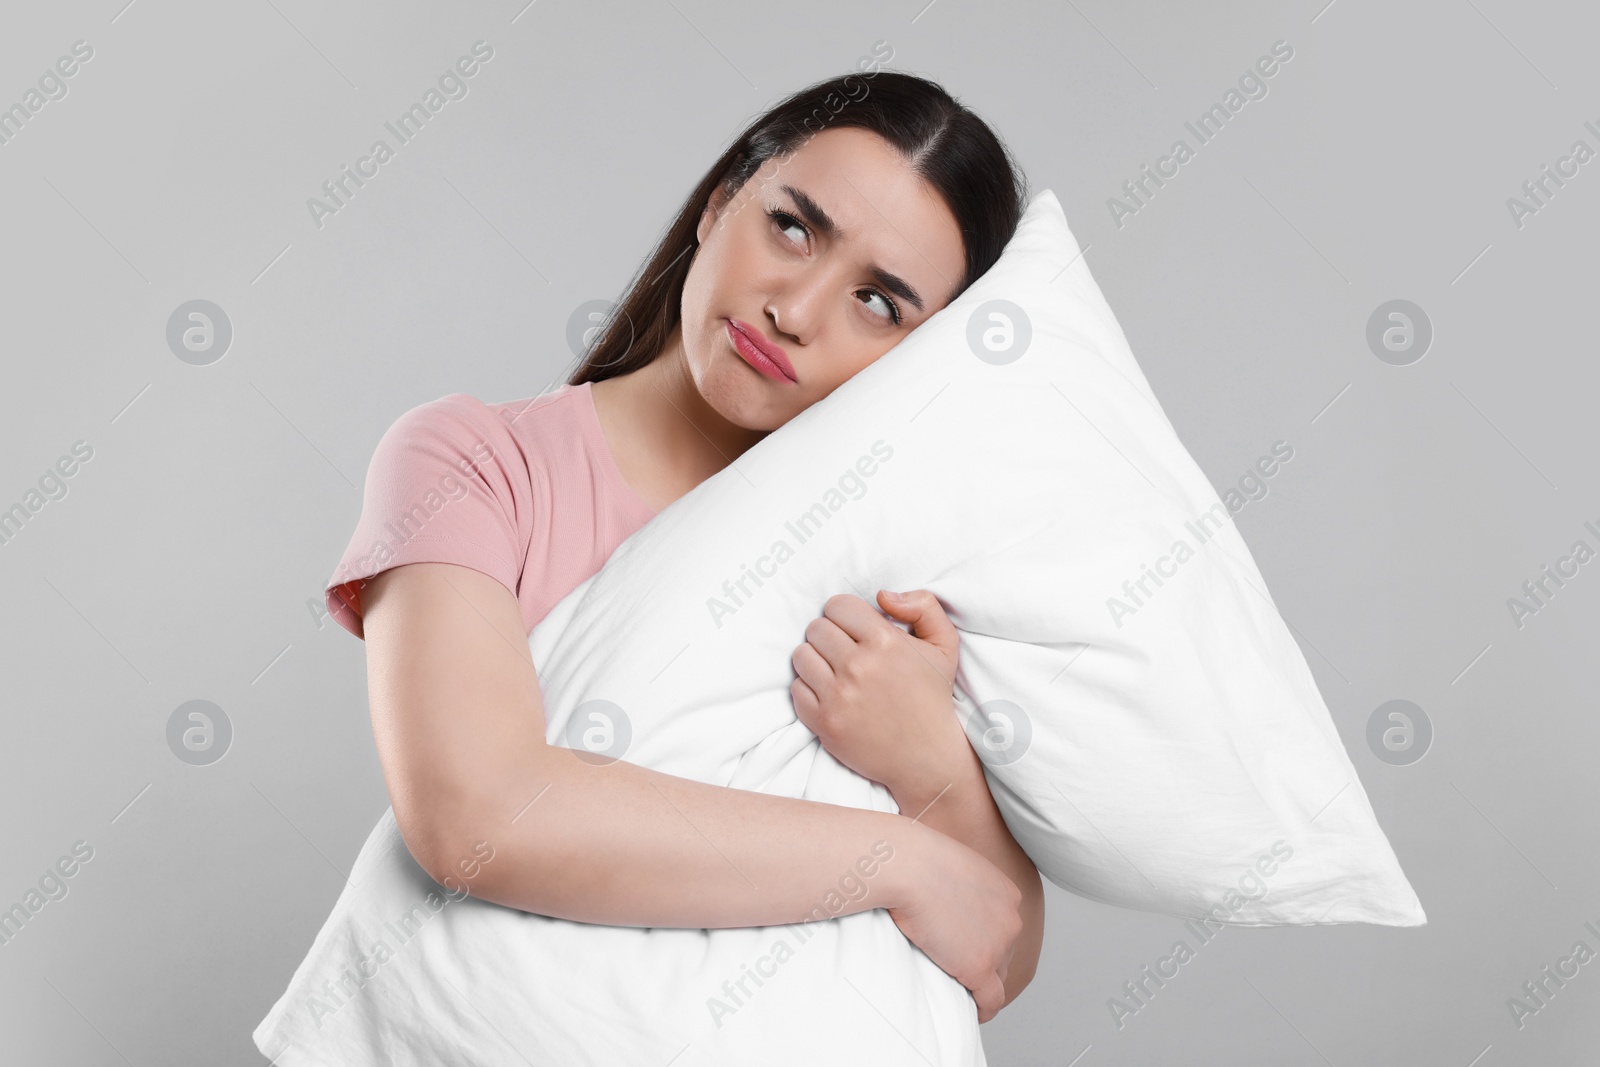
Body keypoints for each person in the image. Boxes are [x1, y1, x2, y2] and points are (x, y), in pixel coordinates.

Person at [325, 69, 1043, 1025]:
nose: (796, 308)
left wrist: (933, 763)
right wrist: (902, 863)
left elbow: (1000, 949)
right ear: (717, 205)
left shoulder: (892, 577)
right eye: (793, 226)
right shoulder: (477, 465)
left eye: (879, 302)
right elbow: (476, 817)